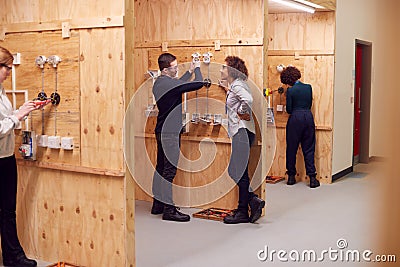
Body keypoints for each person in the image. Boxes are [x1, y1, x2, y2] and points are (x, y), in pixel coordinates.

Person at [1, 46, 45, 266]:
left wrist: (23, 110)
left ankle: (13, 257)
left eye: (10, 67)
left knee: (8, 210)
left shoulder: (2, 91)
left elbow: (7, 120)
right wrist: (17, 116)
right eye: (6, 67)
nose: (9, 71)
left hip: (6, 157)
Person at [150, 52, 204, 222]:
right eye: (175, 67)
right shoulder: (169, 84)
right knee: (169, 170)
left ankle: (157, 204)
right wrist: (197, 69)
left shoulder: (160, 82)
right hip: (170, 133)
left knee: (161, 168)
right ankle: (169, 209)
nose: (177, 69)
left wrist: (188, 72)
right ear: (166, 69)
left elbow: (179, 84)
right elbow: (198, 84)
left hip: (161, 131)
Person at [219, 56, 265, 224]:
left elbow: (248, 100)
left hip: (241, 132)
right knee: (240, 171)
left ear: (231, 70)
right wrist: (227, 91)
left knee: (235, 171)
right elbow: (239, 99)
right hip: (244, 132)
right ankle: (248, 204)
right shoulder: (237, 85)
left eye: (224, 67)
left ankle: (244, 209)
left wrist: (241, 111)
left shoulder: (238, 85)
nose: (221, 70)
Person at [280, 66, 320, 188]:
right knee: (309, 148)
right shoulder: (308, 87)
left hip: (295, 119)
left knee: (292, 148)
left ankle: (291, 177)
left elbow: (289, 109)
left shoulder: (290, 91)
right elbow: (309, 104)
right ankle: (312, 178)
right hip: (308, 117)